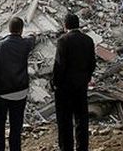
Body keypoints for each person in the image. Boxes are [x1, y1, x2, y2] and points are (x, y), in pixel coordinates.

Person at [0, 17, 36, 151]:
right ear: (21, 30)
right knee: (16, 128)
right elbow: (32, 38)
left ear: (9, 29)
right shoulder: (25, 44)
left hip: (1, 93)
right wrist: (29, 35)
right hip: (20, 92)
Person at [52, 13, 96, 151]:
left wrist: (55, 83)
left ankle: (66, 148)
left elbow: (59, 66)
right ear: (78, 25)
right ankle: (82, 147)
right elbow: (92, 63)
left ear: (65, 26)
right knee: (81, 119)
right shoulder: (88, 40)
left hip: (65, 88)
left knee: (65, 121)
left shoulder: (63, 41)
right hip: (81, 86)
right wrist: (86, 78)